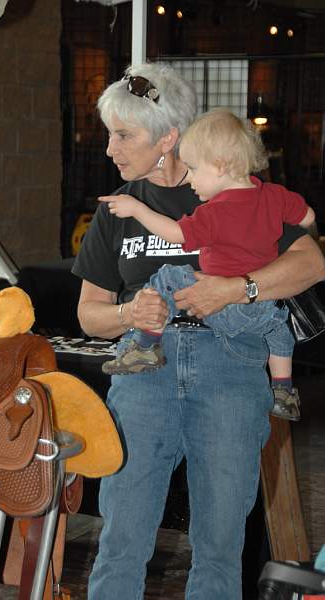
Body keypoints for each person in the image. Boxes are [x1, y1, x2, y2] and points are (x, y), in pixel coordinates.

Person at [72, 62, 325, 600]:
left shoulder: (228, 186)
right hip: (144, 374)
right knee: (122, 536)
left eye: (124, 134)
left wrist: (238, 289)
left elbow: (312, 263)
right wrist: (127, 315)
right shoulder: (118, 211)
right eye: (109, 134)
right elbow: (88, 314)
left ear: (168, 138)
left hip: (229, 368)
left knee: (219, 542)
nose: (110, 149)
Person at [99, 108, 316, 422]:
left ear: (221, 167)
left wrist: (136, 209)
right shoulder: (274, 196)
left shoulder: (215, 212)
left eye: (194, 169)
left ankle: (146, 345)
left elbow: (175, 233)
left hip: (218, 313)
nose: (190, 180)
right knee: (279, 332)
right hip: (261, 310)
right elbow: (307, 217)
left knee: (168, 277)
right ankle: (282, 390)